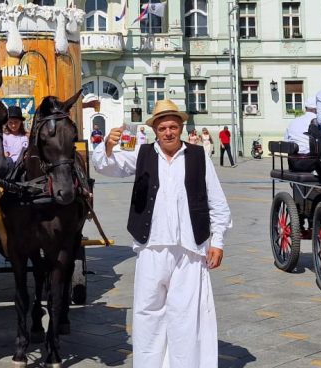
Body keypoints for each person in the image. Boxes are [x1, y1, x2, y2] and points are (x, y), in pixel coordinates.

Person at [92, 100, 232, 367]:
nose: (168, 132)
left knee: (186, 314)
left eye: (173, 127)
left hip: (190, 248)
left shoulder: (198, 156)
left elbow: (217, 202)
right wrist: (108, 145)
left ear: (181, 128)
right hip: (151, 246)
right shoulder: (142, 154)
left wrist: (218, 242)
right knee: (148, 312)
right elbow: (106, 166)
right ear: (155, 129)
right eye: (163, 127)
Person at [2, 106, 29, 177]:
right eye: (10, 123)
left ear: (20, 122)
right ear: (7, 123)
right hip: (10, 166)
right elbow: (3, 152)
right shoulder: (4, 136)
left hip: (24, 165)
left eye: (16, 122)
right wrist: (4, 153)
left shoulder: (26, 137)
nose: (13, 125)